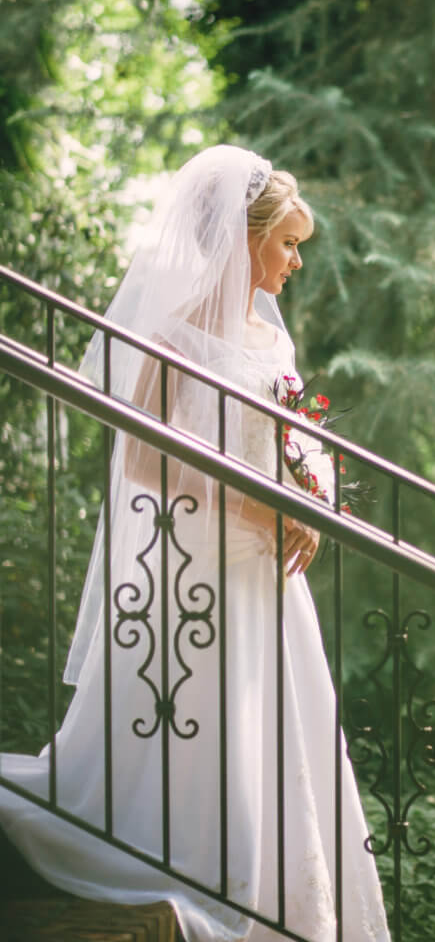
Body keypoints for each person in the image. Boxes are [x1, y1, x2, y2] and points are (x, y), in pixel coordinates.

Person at [0, 145, 390, 942]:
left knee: (279, 731)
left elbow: (280, 442)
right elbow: (145, 457)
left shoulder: (270, 342)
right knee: (200, 721)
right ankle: (206, 870)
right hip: (197, 569)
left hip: (267, 577)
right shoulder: (175, 336)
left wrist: (306, 504)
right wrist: (260, 513)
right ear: (243, 239)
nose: (293, 262)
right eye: (285, 243)